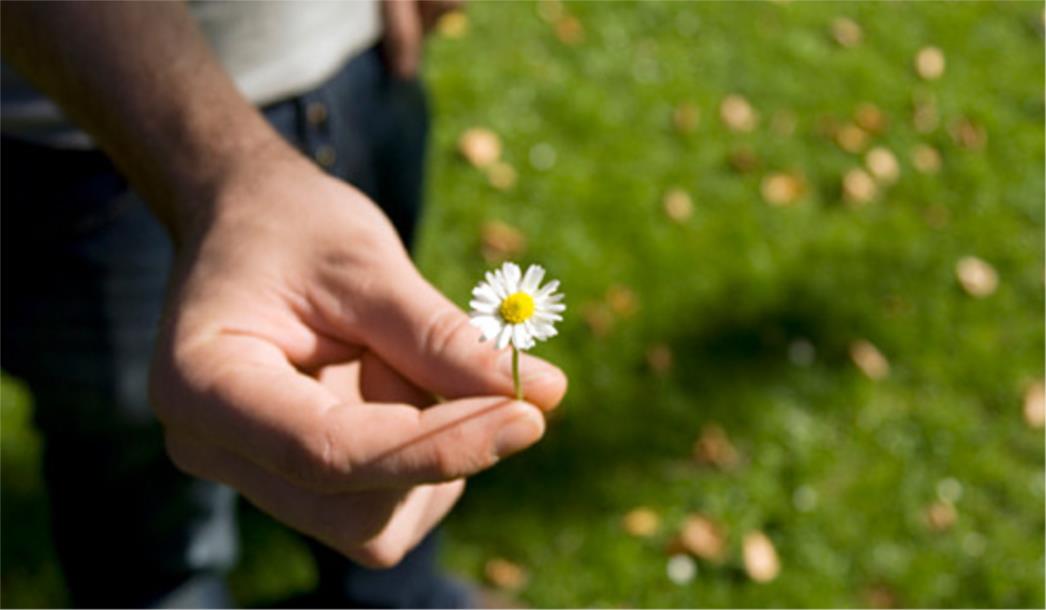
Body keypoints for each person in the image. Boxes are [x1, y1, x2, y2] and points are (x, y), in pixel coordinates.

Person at [0, 2, 568, 607]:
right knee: (139, 485)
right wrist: (223, 170)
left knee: (387, 396)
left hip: (357, 61)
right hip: (84, 134)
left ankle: (405, 596)